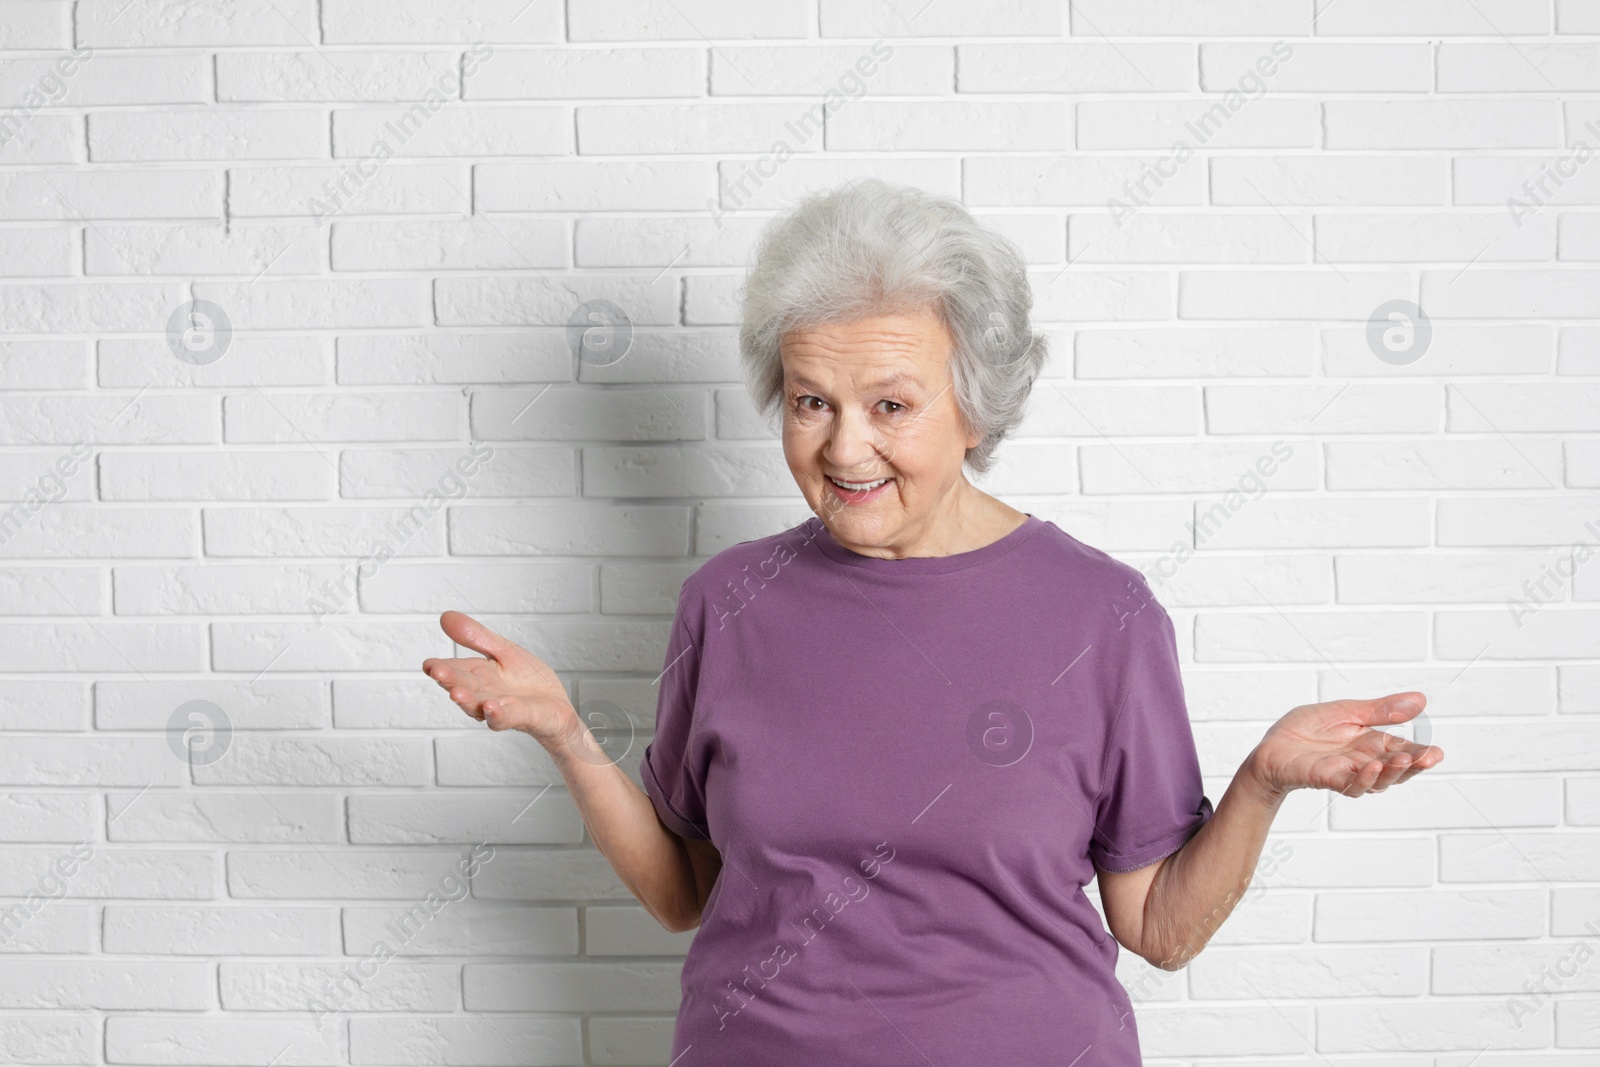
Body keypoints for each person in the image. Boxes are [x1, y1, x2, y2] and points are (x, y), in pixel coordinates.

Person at [421, 178, 1444, 1065]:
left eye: (890, 405)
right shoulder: (729, 601)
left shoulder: (1102, 613)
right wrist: (565, 734)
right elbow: (687, 888)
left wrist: (1261, 782)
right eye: (810, 401)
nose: (843, 446)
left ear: (976, 408)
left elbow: (1160, 927)